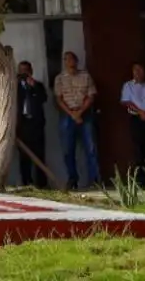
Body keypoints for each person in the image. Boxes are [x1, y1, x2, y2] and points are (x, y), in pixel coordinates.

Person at [53, 50, 99, 189]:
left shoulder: (85, 76)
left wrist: (80, 112)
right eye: (67, 59)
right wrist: (72, 114)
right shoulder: (60, 78)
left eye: (72, 59)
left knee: (90, 148)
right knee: (68, 149)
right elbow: (59, 99)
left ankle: (94, 180)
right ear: (64, 62)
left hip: (84, 113)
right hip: (68, 114)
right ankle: (73, 179)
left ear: (76, 61)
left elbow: (91, 96)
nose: (70, 62)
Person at [13, 60, 49, 188]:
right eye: (21, 70)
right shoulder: (14, 87)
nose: (23, 73)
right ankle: (26, 182)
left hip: (36, 124)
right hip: (22, 124)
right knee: (24, 156)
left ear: (31, 71)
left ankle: (42, 184)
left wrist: (33, 86)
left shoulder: (38, 85)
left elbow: (44, 99)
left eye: (26, 70)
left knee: (39, 154)